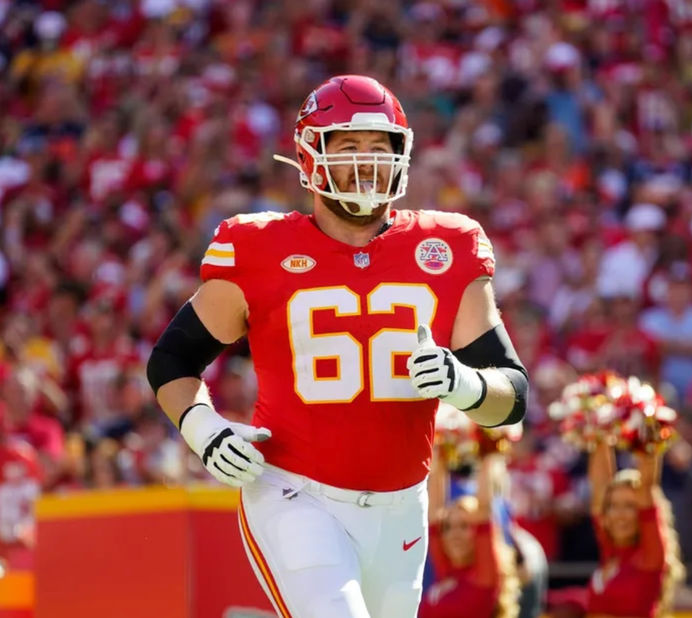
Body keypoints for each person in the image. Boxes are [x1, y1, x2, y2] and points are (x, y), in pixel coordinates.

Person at [146, 75, 529, 618]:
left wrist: (460, 382)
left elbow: (511, 392)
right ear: (308, 157)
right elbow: (173, 360)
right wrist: (204, 429)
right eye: (348, 146)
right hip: (296, 494)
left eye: (380, 146)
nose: (367, 161)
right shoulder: (257, 247)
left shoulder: (449, 244)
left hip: (403, 506)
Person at [585, 440, 684, 618]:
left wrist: (646, 423)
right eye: (613, 506)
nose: (619, 515)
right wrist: (601, 429)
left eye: (630, 506)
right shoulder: (610, 551)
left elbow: (646, 485)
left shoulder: (649, 556)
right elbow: (600, 487)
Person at [420, 448, 519, 618]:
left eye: (464, 526)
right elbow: (434, 513)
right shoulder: (445, 571)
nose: (454, 534)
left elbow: (483, 509)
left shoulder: (484, 577)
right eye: (448, 527)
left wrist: (486, 446)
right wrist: (443, 450)